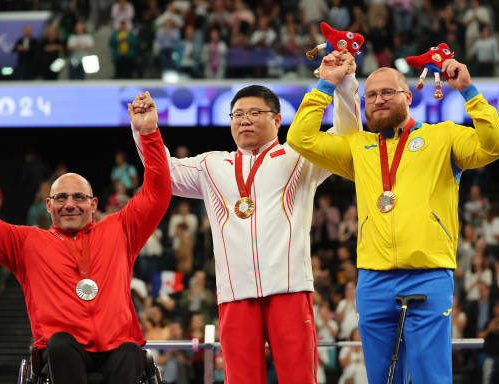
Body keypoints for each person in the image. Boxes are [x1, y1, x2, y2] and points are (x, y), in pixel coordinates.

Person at [130, 53, 362, 383]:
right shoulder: (212, 165)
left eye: (255, 113)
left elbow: (347, 137)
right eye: (237, 114)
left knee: (299, 378)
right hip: (235, 294)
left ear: (277, 119)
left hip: (290, 289)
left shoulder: (299, 156)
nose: (245, 120)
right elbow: (164, 173)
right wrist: (147, 132)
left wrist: (343, 84)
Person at [287, 51, 499, 383]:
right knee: (381, 378)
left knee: (431, 378)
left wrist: (468, 92)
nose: (378, 100)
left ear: (408, 96)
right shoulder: (357, 147)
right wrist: (326, 84)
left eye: (388, 92)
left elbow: (496, 146)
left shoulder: (443, 137)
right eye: (371, 95)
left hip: (429, 274)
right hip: (373, 279)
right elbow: (300, 138)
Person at [0, 103, 171, 383]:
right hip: (63, 355)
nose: (70, 204)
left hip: (118, 348)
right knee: (60, 344)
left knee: (129, 349)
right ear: (48, 205)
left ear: (93, 204)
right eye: (61, 198)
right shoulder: (27, 243)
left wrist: (149, 133)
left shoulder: (121, 229)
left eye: (79, 197)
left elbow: (157, 193)